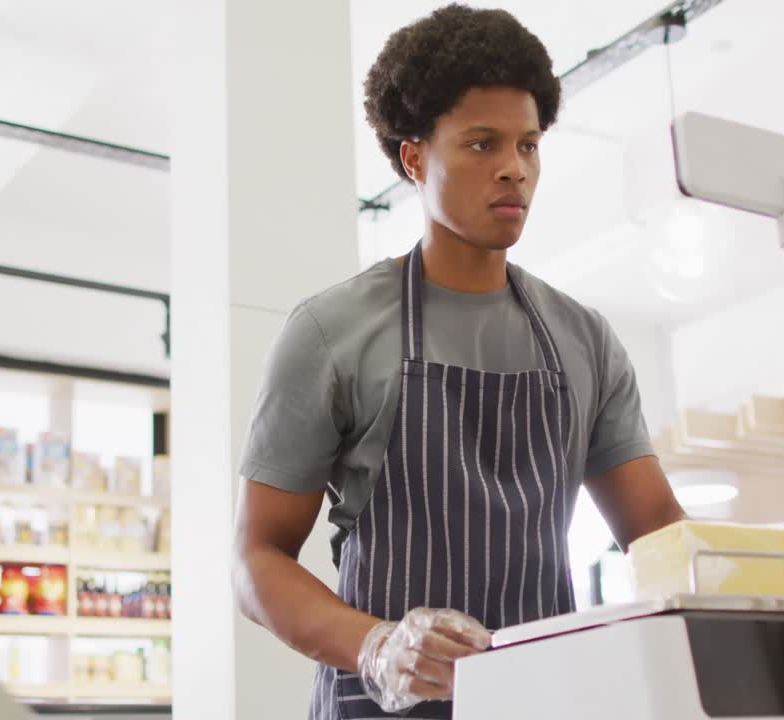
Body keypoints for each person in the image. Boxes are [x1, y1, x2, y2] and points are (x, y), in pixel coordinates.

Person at [232, 5, 685, 719]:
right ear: (414, 158)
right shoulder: (332, 333)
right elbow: (257, 559)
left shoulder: (584, 340)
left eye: (528, 145)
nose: (514, 169)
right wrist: (377, 646)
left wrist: (752, 582)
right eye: (482, 144)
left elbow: (657, 530)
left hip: (537, 704)